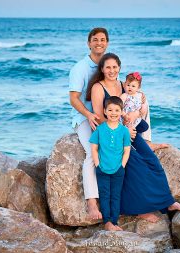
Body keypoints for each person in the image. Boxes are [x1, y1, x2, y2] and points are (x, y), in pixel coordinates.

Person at [86, 53, 180, 222]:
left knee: (152, 161)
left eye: (115, 67)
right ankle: (141, 210)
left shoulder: (123, 85)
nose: (111, 70)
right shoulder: (98, 87)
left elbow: (137, 106)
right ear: (102, 69)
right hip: (112, 135)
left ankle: (168, 202)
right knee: (136, 167)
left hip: (129, 130)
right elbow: (99, 117)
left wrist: (137, 110)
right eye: (108, 67)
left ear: (119, 68)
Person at [69, 27, 109, 220]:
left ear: (107, 43)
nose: (99, 43)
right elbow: (73, 98)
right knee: (92, 154)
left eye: (102, 39)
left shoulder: (108, 66)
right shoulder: (79, 68)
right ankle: (92, 203)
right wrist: (88, 114)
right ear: (89, 43)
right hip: (84, 118)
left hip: (106, 117)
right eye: (95, 40)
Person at [89, 96, 131, 231]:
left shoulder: (124, 130)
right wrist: (97, 164)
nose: (113, 113)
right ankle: (107, 221)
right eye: (110, 110)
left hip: (118, 169)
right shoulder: (100, 129)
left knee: (116, 195)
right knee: (105, 195)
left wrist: (122, 166)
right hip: (102, 169)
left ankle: (114, 221)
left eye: (117, 110)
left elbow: (127, 150)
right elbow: (94, 148)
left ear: (121, 112)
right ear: (105, 111)